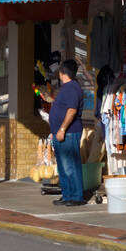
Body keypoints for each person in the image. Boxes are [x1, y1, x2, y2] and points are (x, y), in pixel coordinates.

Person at [46, 59, 85, 206]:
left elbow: (72, 110)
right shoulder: (68, 87)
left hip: (68, 132)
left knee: (70, 165)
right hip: (60, 133)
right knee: (62, 166)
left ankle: (76, 196)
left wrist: (62, 129)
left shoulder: (72, 88)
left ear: (63, 73)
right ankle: (67, 195)